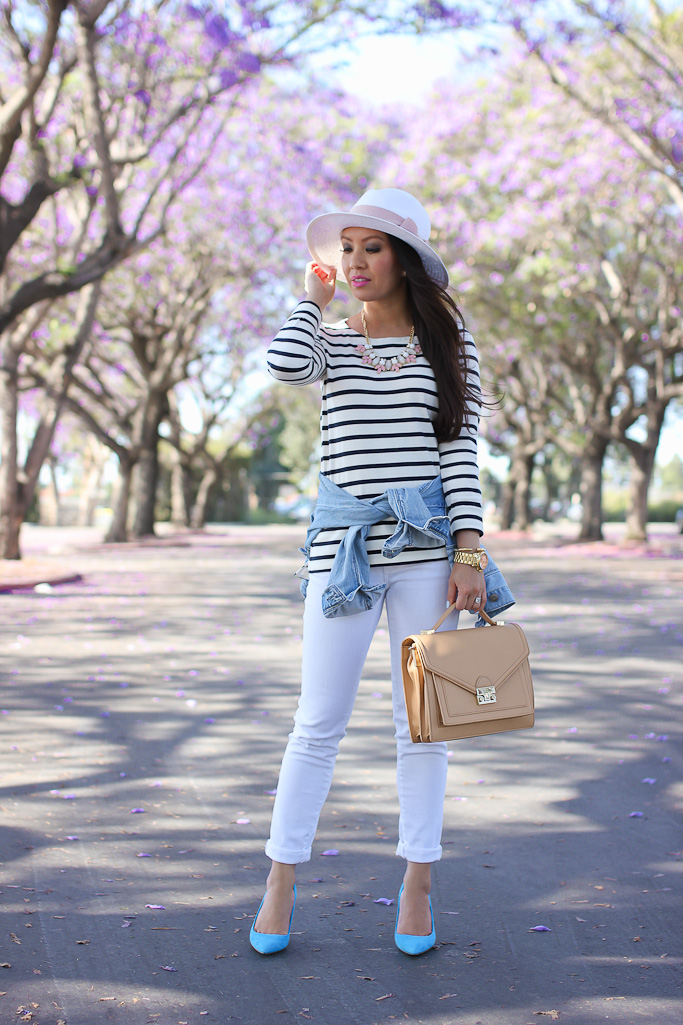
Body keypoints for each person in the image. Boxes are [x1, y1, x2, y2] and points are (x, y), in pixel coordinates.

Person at [250, 188, 513, 956]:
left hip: (430, 557)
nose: (355, 261)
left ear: (405, 259)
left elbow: (458, 451)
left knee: (422, 728)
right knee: (316, 724)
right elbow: (283, 364)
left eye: (372, 247)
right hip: (343, 556)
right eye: (347, 248)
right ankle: (279, 880)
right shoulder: (328, 338)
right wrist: (309, 299)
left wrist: (470, 550)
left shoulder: (448, 345)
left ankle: (418, 882)